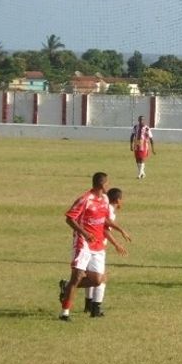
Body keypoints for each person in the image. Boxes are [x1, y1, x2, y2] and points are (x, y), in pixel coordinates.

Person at [58, 173, 131, 321]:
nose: (108, 186)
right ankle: (64, 313)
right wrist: (84, 233)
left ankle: (66, 286)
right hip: (83, 243)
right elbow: (69, 218)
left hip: (98, 246)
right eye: (107, 183)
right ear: (102, 185)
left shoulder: (104, 199)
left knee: (98, 280)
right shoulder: (85, 199)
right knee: (77, 276)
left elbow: (104, 220)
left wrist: (120, 230)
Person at [83, 187, 130, 317]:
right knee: (101, 278)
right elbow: (104, 230)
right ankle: (96, 308)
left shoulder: (104, 205)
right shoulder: (109, 211)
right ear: (118, 200)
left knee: (91, 276)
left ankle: (88, 304)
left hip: (88, 244)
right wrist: (116, 244)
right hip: (96, 246)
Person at [130, 115, 155, 179]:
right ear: (138, 120)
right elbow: (132, 136)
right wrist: (131, 145)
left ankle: (139, 174)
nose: (141, 121)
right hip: (137, 144)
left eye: (142, 120)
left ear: (144, 120)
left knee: (142, 159)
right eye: (140, 120)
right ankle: (142, 173)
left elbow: (151, 138)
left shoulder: (147, 128)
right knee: (137, 159)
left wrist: (152, 148)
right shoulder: (135, 127)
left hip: (144, 145)